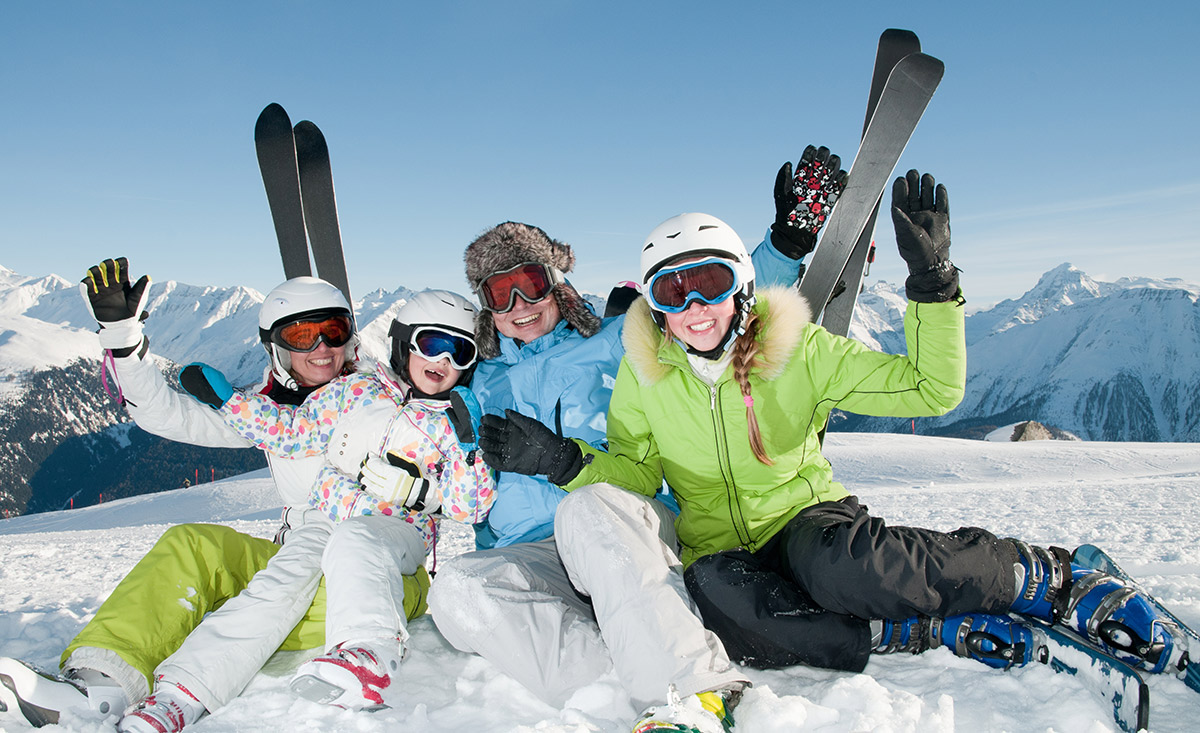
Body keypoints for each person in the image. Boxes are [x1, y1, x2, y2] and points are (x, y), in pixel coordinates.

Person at [477, 173, 1189, 733]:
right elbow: (636, 471)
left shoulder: (798, 350)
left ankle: (1051, 576)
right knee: (726, 610)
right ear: (655, 306)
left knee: (848, 568)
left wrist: (933, 286)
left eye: (711, 282)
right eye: (673, 289)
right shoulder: (646, 373)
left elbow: (932, 388)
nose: (695, 307)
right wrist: (568, 462)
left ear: (741, 285)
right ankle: (913, 630)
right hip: (718, 544)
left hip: (804, 517)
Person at [428, 147, 843, 732]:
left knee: (586, 507)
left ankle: (693, 693)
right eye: (501, 293)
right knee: (458, 588)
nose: (520, 306)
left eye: (531, 284)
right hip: (538, 553)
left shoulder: (619, 340)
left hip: (627, 526)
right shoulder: (479, 381)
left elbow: (704, 311)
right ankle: (622, 686)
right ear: (486, 307)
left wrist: (786, 245)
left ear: (558, 286)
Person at [0, 264, 428, 729]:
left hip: (376, 576)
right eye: (302, 335)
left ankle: (185, 692)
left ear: (351, 335)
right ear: (276, 347)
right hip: (298, 556)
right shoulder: (267, 410)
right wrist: (122, 340)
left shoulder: (392, 396)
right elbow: (167, 414)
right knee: (191, 546)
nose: (322, 347)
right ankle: (98, 686)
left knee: (289, 579)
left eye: (333, 330)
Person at [113, 289, 494, 732]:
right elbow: (292, 431)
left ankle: (368, 655)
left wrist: (461, 456)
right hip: (325, 518)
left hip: (396, 531)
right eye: (432, 344)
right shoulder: (356, 390)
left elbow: (471, 506)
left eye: (459, 352)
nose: (443, 360)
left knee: (357, 540)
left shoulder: (455, 423)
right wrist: (231, 402)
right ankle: (181, 696)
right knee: (275, 586)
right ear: (403, 344)